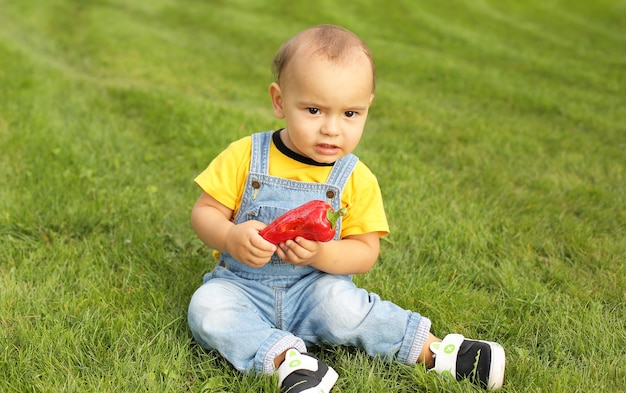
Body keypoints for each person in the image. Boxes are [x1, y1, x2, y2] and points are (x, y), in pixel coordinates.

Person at [187, 24, 506, 392]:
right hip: (241, 287)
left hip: (314, 289)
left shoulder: (356, 178)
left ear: (367, 107)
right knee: (206, 308)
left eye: (350, 114)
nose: (332, 129)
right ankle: (289, 363)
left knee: (346, 307)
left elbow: (365, 253)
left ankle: (440, 353)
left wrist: (322, 252)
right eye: (314, 110)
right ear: (279, 101)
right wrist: (229, 235)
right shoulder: (246, 155)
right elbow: (204, 213)